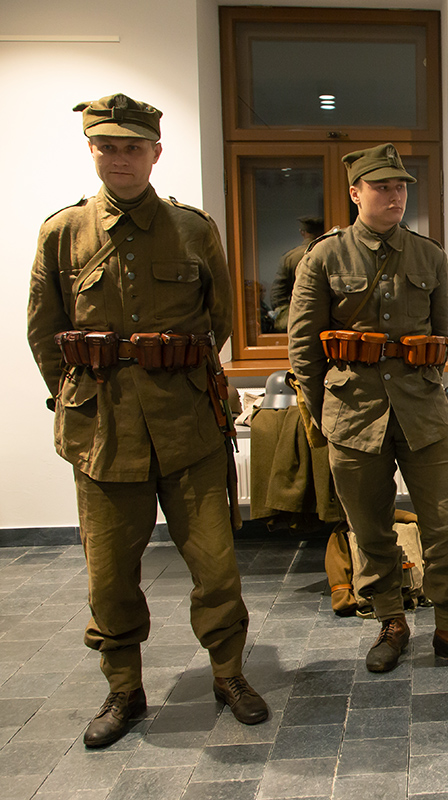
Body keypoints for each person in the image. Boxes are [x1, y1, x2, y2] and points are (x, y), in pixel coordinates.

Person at [26, 93, 268, 747]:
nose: (120, 158)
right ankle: (123, 689)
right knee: (109, 576)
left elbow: (220, 319)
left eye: (132, 147)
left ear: (155, 153)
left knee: (216, 568)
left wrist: (176, 369)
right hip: (103, 435)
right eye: (107, 146)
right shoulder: (63, 233)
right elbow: (45, 333)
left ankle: (229, 674)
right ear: (92, 150)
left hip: (188, 429)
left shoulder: (193, 229)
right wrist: (78, 399)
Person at [288, 144, 448, 676]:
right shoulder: (325, 257)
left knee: (446, 526)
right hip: (353, 414)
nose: (394, 195)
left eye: (401, 186)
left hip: (422, 413)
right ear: (355, 193)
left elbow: (440, 334)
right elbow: (303, 348)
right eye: (382, 187)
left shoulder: (429, 256)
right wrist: (325, 412)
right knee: (370, 528)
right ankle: (390, 621)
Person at [271, 215, 325, 332]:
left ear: (302, 232)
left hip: (298, 319)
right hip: (326, 321)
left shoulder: (291, 257)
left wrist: (289, 314)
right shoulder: (330, 254)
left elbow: (277, 295)